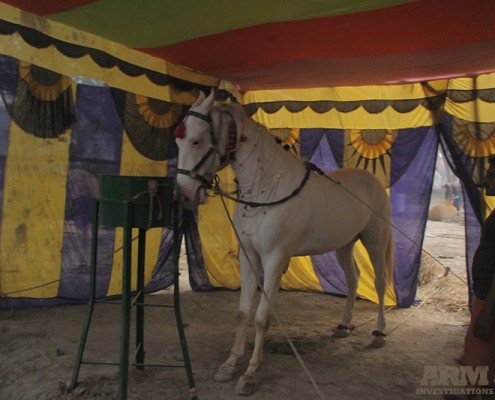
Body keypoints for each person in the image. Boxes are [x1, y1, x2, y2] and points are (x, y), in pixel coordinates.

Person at [448, 158, 495, 400]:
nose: (485, 180)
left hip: (489, 296)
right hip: (485, 293)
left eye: (491, 175)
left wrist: (487, 311)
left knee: (480, 348)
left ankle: (473, 395)